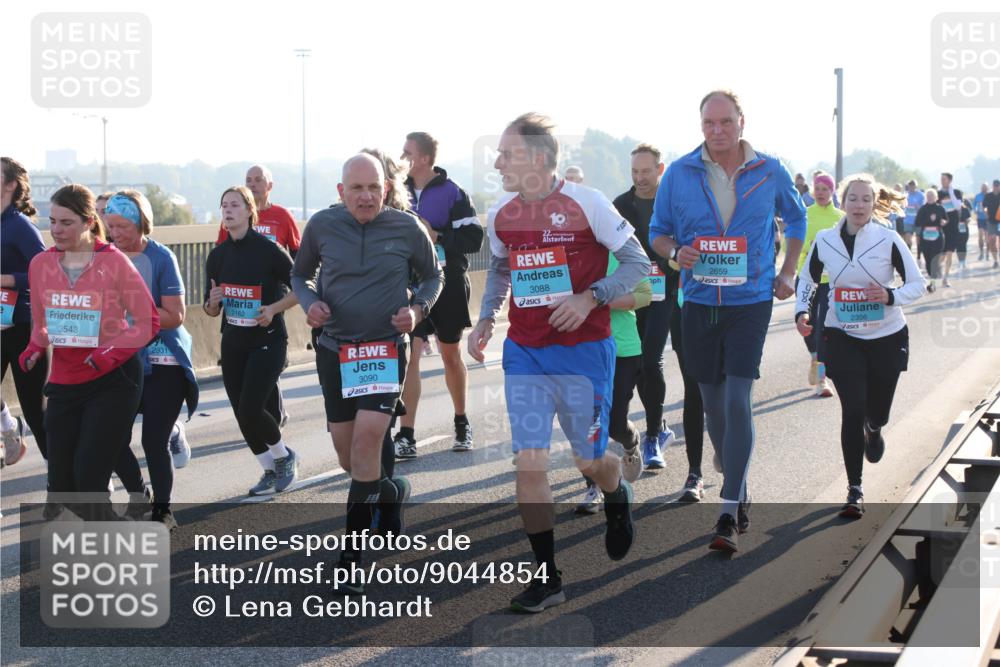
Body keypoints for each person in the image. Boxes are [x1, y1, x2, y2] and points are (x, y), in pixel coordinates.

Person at [468, 113, 649, 612]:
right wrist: (486, 318)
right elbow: (503, 270)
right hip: (525, 352)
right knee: (528, 461)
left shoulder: (586, 203)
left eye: (508, 153)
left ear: (540, 159)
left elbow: (637, 265)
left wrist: (590, 297)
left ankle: (616, 494)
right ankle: (548, 578)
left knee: (588, 461)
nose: (499, 162)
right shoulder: (501, 214)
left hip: (584, 353)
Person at [650, 90, 806, 553]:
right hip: (699, 300)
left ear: (741, 121)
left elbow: (796, 220)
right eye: (708, 124)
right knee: (713, 406)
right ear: (701, 126)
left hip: (751, 299)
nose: (717, 131)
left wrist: (788, 271)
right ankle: (730, 464)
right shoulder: (679, 173)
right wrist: (677, 253)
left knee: (739, 398)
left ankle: (728, 507)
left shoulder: (769, 169)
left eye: (724, 122)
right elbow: (657, 233)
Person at [291, 153, 442, 595]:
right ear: (341, 192)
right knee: (347, 458)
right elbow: (300, 275)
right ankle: (392, 491)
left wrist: (417, 311)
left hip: (383, 350)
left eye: (374, 187)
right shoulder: (322, 225)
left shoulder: (406, 227)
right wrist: (309, 302)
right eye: (357, 188)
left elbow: (435, 276)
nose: (366, 196)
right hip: (335, 350)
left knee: (366, 444)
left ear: (386, 189)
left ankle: (352, 558)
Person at [20, 184, 159, 520]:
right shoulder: (40, 264)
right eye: (52, 221)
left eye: (66, 222)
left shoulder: (113, 262)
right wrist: (34, 347)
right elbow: (42, 325)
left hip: (113, 379)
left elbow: (147, 321)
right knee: (64, 487)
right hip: (66, 380)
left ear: (87, 222)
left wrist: (108, 353)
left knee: (88, 480)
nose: (56, 230)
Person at [795, 176, 925, 517]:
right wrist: (802, 310)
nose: (859, 205)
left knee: (875, 411)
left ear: (873, 202)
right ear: (843, 200)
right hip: (842, 335)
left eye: (866, 200)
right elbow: (808, 279)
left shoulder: (888, 238)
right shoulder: (825, 240)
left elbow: (917, 284)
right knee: (852, 409)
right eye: (853, 198)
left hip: (886, 336)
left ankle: (875, 427)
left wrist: (890, 295)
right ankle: (854, 489)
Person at [106, 191, 198, 529]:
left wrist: (134, 314)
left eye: (123, 226)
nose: (115, 234)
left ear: (142, 222)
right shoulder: (107, 257)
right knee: (112, 436)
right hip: (124, 359)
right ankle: (138, 495)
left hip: (163, 360)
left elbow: (176, 315)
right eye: (110, 226)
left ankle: (163, 509)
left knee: (152, 440)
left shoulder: (161, 258)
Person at [204, 186, 299, 496]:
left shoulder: (269, 250)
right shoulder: (218, 256)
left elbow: (301, 288)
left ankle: (285, 457)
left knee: (251, 408)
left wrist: (272, 309)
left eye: (234, 205)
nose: (228, 210)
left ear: (248, 211)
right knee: (240, 411)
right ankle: (269, 469)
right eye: (224, 205)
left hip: (268, 340)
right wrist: (214, 303)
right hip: (233, 342)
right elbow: (210, 308)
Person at [393, 132, 483, 458]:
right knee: (410, 359)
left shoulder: (452, 192)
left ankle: (462, 422)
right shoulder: (395, 190)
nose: (402, 157)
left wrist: (438, 236)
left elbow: (474, 238)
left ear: (426, 158)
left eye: (408, 152)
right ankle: (406, 434)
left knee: (449, 356)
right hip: (409, 285)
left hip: (447, 283)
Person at [216, 165, 299, 428]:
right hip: (238, 301)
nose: (253, 184)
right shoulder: (230, 221)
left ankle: (270, 415)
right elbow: (222, 256)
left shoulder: (282, 216)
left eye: (258, 180)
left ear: (269, 185)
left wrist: (278, 303)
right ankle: (261, 418)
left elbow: (297, 260)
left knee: (266, 358)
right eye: (248, 180)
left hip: (272, 296)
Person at [612, 144, 676, 469]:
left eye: (646, 171)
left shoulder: (674, 202)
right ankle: (658, 427)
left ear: (660, 169)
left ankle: (652, 437)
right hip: (632, 295)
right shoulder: (620, 205)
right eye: (635, 172)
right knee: (638, 365)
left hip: (667, 292)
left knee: (652, 361)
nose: (640, 178)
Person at [575, 251, 651, 514]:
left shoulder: (619, 252)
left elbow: (644, 294)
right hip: (583, 348)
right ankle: (593, 487)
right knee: (588, 422)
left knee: (615, 424)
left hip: (623, 349)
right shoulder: (572, 253)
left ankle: (630, 442)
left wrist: (599, 300)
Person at [1, 157, 48, 466]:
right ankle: (8, 426)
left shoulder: (20, 226)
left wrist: (7, 280)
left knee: (35, 410)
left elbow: (46, 271)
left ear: (9, 185)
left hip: (22, 327)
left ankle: (65, 478)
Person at [794, 172, 843, 398]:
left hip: (831, 281)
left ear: (832, 191)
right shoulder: (804, 215)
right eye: (818, 189)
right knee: (807, 325)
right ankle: (815, 356)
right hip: (807, 278)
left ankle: (821, 379)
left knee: (824, 329)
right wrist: (809, 247)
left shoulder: (841, 217)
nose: (821, 193)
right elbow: (790, 246)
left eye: (825, 189)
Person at [670, 279, 708, 501]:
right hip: (687, 307)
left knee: (727, 395)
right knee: (693, 390)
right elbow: (661, 251)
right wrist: (674, 256)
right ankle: (695, 473)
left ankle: (729, 459)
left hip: (733, 310)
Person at [915, 189, 947, 292]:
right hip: (925, 237)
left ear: (936, 197)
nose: (930, 197)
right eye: (928, 196)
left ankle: (932, 283)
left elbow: (946, 219)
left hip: (937, 237)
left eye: (932, 195)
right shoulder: (923, 209)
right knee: (928, 260)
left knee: (934, 258)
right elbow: (917, 222)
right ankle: (932, 278)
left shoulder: (940, 208)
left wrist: (943, 221)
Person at [938, 172, 964, 287]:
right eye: (941, 179)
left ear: (949, 180)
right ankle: (936, 271)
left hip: (953, 227)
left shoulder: (957, 192)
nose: (942, 181)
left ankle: (946, 278)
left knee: (950, 253)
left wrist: (950, 192)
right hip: (942, 228)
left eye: (944, 179)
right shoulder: (938, 194)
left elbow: (957, 206)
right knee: (942, 255)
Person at [902, 180, 925, 251]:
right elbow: (902, 206)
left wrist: (918, 207)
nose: (911, 187)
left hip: (918, 220)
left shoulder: (921, 195)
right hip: (907, 220)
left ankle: (918, 256)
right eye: (910, 186)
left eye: (913, 185)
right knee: (908, 238)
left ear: (916, 186)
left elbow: (924, 208)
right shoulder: (905, 195)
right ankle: (909, 254)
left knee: (918, 239)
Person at [985, 179, 1000, 269]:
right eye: (995, 185)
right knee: (992, 241)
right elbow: (984, 206)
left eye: (998, 185)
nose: (996, 187)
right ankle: (995, 261)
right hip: (991, 221)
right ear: (992, 186)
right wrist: (985, 212)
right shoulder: (988, 196)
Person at [974, 183, 989, 261]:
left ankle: (987, 253)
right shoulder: (978, 196)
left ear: (988, 188)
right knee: (980, 236)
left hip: (988, 219)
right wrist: (975, 210)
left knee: (987, 237)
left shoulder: (990, 195)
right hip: (980, 218)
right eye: (983, 187)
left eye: (985, 187)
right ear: (981, 188)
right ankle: (981, 253)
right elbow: (974, 205)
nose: (984, 189)